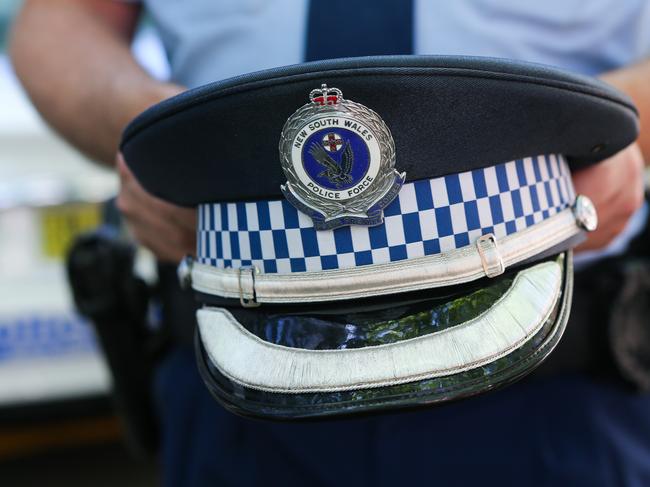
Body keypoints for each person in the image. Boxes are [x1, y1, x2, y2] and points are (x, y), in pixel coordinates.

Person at [9, 1, 650, 485]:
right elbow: (64, 18)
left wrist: (625, 124)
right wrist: (148, 131)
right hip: (244, 356)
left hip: (554, 362)